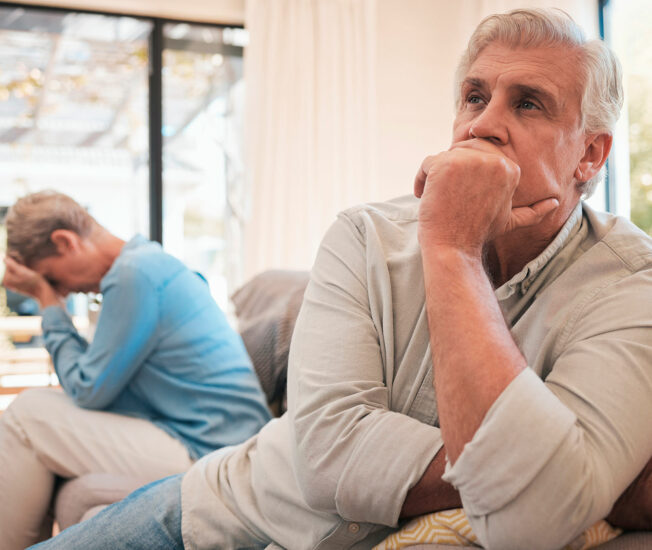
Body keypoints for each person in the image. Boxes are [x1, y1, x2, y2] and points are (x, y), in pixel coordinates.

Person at [30, 8, 652, 550]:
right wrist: (533, 466)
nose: (483, 125)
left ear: (590, 156)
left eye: (527, 103)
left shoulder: (629, 283)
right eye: (473, 96)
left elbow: (533, 518)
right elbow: (326, 456)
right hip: (222, 513)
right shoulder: (364, 234)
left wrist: (452, 252)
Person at [0, 190, 271, 550]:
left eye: (53, 278)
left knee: (26, 415)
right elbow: (97, 378)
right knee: (40, 417)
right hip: (210, 439)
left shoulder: (134, 275)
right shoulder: (148, 264)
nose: (66, 290)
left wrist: (48, 303)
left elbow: (87, 389)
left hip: (210, 450)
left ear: (65, 242)